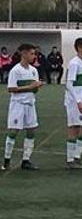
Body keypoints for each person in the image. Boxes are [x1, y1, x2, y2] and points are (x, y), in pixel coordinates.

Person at [3, 43, 43, 171]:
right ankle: (6, 160)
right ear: (24, 54)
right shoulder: (16, 70)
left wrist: (36, 87)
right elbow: (11, 88)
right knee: (13, 131)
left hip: (30, 104)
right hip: (18, 105)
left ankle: (26, 160)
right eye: (31, 53)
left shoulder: (33, 70)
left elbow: (34, 90)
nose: (34, 56)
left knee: (31, 131)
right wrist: (30, 87)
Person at [65, 38, 82, 170]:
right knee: (74, 128)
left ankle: (76, 156)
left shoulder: (81, 63)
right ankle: (71, 159)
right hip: (74, 102)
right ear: (80, 48)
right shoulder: (74, 63)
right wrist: (78, 102)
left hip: (81, 101)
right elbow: (69, 84)